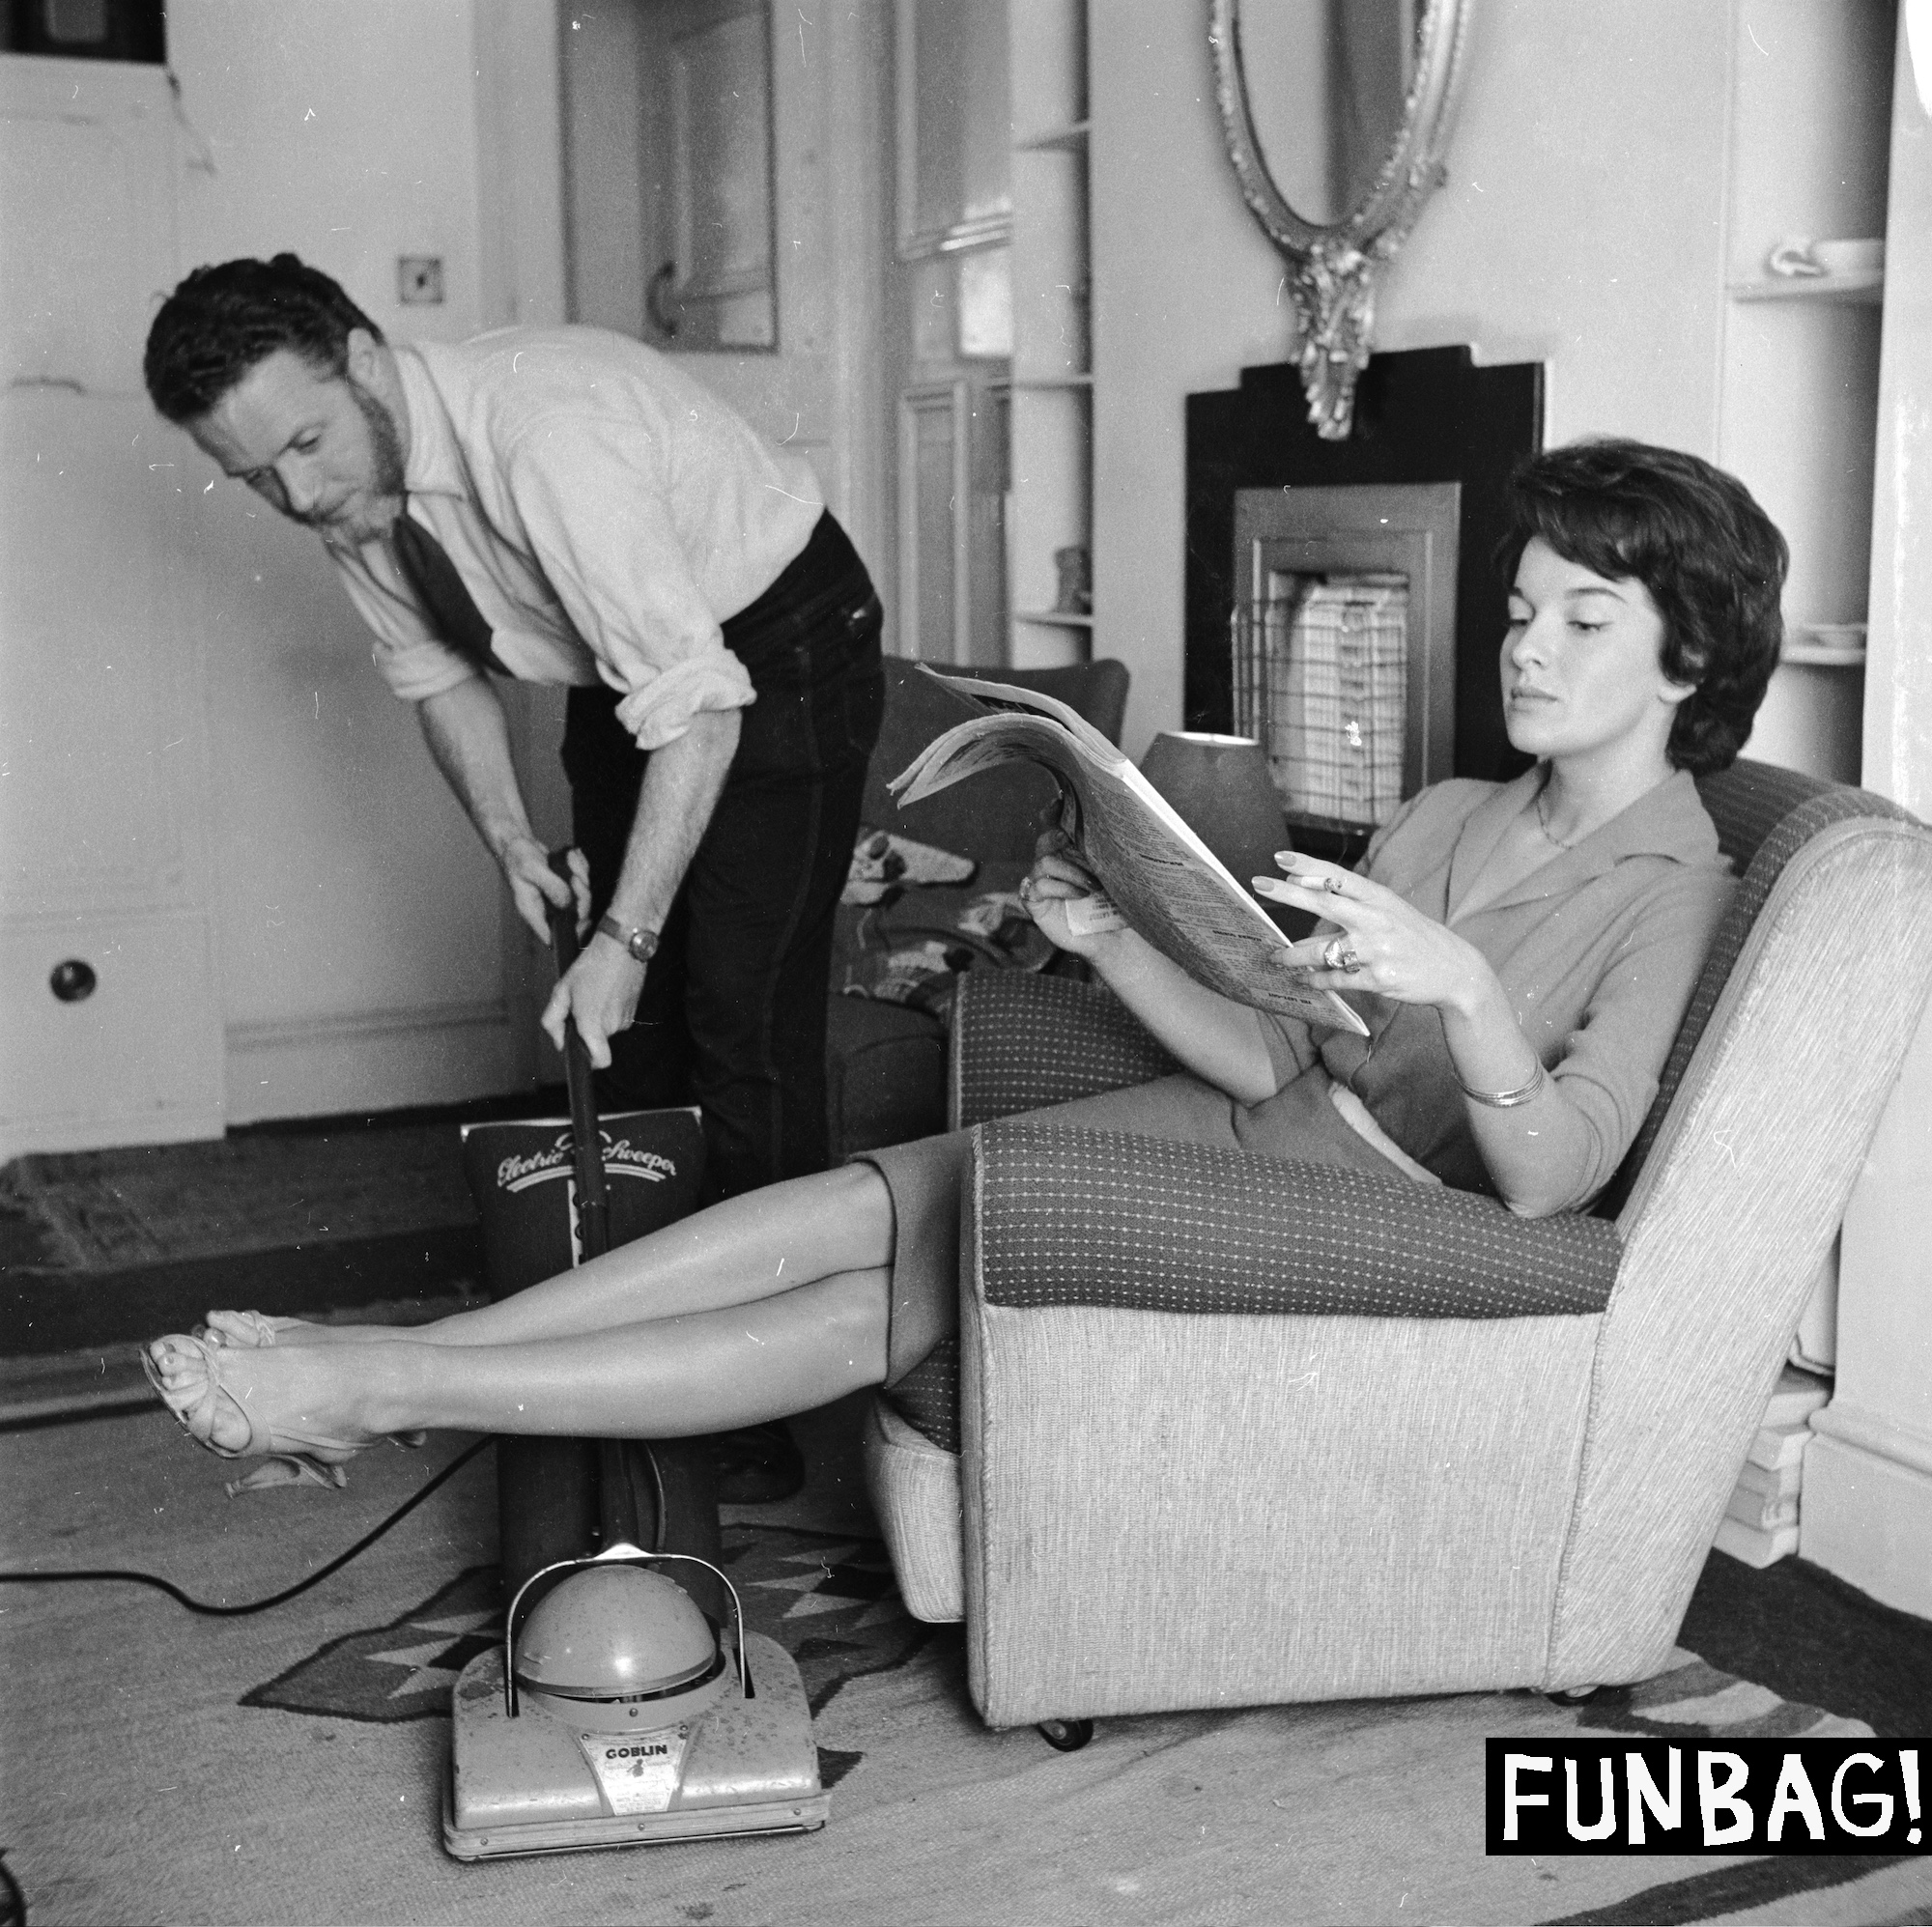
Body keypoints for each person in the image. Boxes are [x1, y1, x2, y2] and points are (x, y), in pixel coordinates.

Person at [142, 439, 1787, 1473]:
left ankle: (385, 1390)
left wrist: (1474, 991)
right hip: (1250, 1129)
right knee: (869, 1196)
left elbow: (1555, 1186)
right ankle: (393, 1362)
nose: (1526, 647)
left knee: (917, 1278)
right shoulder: (1446, 808)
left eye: (1581, 621)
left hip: (1369, 1222)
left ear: (1690, 655)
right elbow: (1277, 1053)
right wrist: (1112, 942)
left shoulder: (1678, 888)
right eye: (1516, 609)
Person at [143, 255, 886, 1493]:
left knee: (738, 1019)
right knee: (627, 1036)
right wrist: (511, 842)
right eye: (257, 474)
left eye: (310, 444)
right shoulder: (353, 491)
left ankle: (755, 1410)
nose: (300, 491)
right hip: (626, 664)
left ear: (366, 362)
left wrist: (630, 934)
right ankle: (644, 1362)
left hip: (776, 646)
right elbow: (438, 673)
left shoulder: (546, 434)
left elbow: (701, 710)